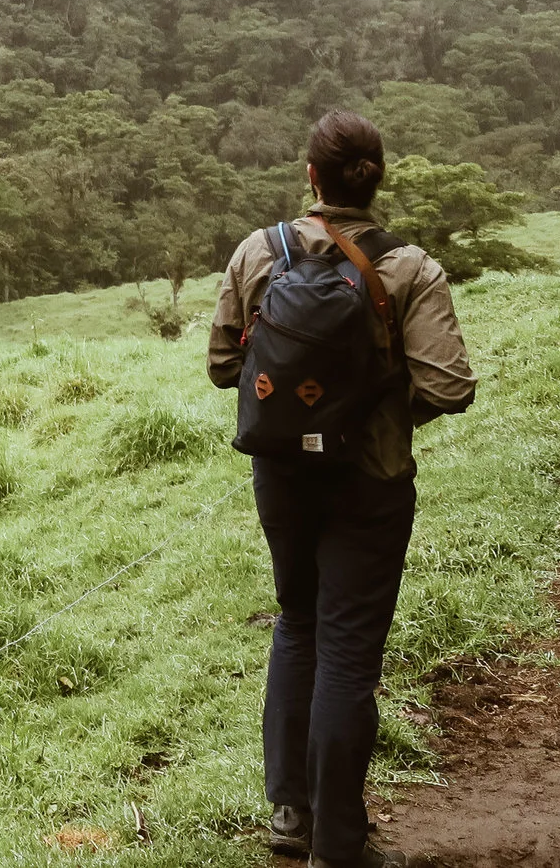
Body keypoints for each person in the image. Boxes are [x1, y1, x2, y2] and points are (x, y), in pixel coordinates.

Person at [207, 111, 477, 868]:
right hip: (373, 479)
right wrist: (376, 409)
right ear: (378, 176)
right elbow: (451, 386)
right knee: (350, 654)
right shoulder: (410, 268)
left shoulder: (261, 251)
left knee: (297, 622)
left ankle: (291, 815)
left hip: (282, 476)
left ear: (310, 175)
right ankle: (339, 842)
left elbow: (224, 364)